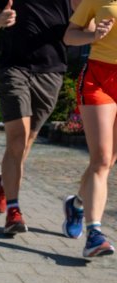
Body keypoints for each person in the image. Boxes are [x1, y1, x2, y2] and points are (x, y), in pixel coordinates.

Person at [0, 0, 80, 234]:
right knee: (17, 139)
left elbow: (83, 20)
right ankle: (13, 210)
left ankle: (3, 182)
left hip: (51, 73)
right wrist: (0, 20)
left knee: (27, 141)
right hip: (14, 68)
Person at [63, 2, 117, 257]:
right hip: (99, 79)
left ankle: (76, 204)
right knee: (102, 159)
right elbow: (70, 35)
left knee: (108, 161)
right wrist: (94, 35)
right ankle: (94, 234)